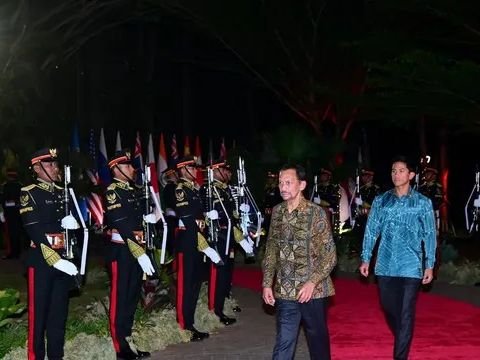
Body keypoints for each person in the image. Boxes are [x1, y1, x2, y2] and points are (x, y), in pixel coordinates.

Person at [359, 155, 436, 360]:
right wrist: (366, 257)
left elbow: (429, 234)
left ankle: (400, 355)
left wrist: (430, 265)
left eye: (401, 170)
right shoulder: (381, 200)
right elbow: (371, 230)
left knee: (406, 312)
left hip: (411, 266)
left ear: (411, 175)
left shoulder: (423, 203)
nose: (396, 174)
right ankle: (404, 334)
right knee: (388, 307)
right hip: (385, 265)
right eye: (393, 170)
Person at [262, 163, 337, 360]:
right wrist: (267, 283)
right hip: (285, 291)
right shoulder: (277, 212)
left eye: (288, 182)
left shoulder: (316, 213)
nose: (283, 187)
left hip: (313, 292)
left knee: (317, 342)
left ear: (302, 185)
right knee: (283, 343)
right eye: (280, 183)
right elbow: (271, 250)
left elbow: (330, 255)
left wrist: (313, 282)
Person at [20, 148, 80, 360]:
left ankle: (56, 356)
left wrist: (74, 226)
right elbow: (33, 229)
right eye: (49, 164)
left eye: (56, 164)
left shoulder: (63, 192)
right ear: (37, 168)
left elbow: (77, 225)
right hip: (42, 260)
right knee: (39, 315)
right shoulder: (30, 192)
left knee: (58, 315)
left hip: (64, 257)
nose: (55, 168)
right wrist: (55, 260)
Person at [104, 149, 155, 360]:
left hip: (136, 249)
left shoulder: (134, 190)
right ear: (116, 169)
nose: (132, 169)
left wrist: (150, 218)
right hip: (122, 251)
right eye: (127, 166)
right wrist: (138, 251)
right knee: (120, 297)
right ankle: (119, 348)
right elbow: (122, 224)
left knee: (133, 296)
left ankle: (127, 341)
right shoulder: (113, 191)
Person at [174, 156, 222, 341]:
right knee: (185, 286)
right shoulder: (181, 190)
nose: (195, 171)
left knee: (194, 284)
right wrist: (204, 245)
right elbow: (188, 220)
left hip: (196, 240)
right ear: (184, 169)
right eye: (192, 168)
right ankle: (183, 325)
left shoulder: (193, 190)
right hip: (187, 241)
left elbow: (199, 218)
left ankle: (190, 322)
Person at [203, 159, 254, 326]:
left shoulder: (224, 191)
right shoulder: (208, 189)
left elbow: (231, 218)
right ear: (215, 171)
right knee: (217, 276)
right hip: (216, 237)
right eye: (224, 170)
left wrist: (241, 239)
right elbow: (202, 214)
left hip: (228, 235)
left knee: (225, 276)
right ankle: (215, 311)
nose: (227, 173)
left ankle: (221, 306)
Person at [1, 169, 24, 259]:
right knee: (16, 233)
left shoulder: (6, 186)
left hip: (10, 213)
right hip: (18, 213)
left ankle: (12, 253)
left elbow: (3, 200)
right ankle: (17, 252)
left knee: (11, 233)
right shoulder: (20, 186)